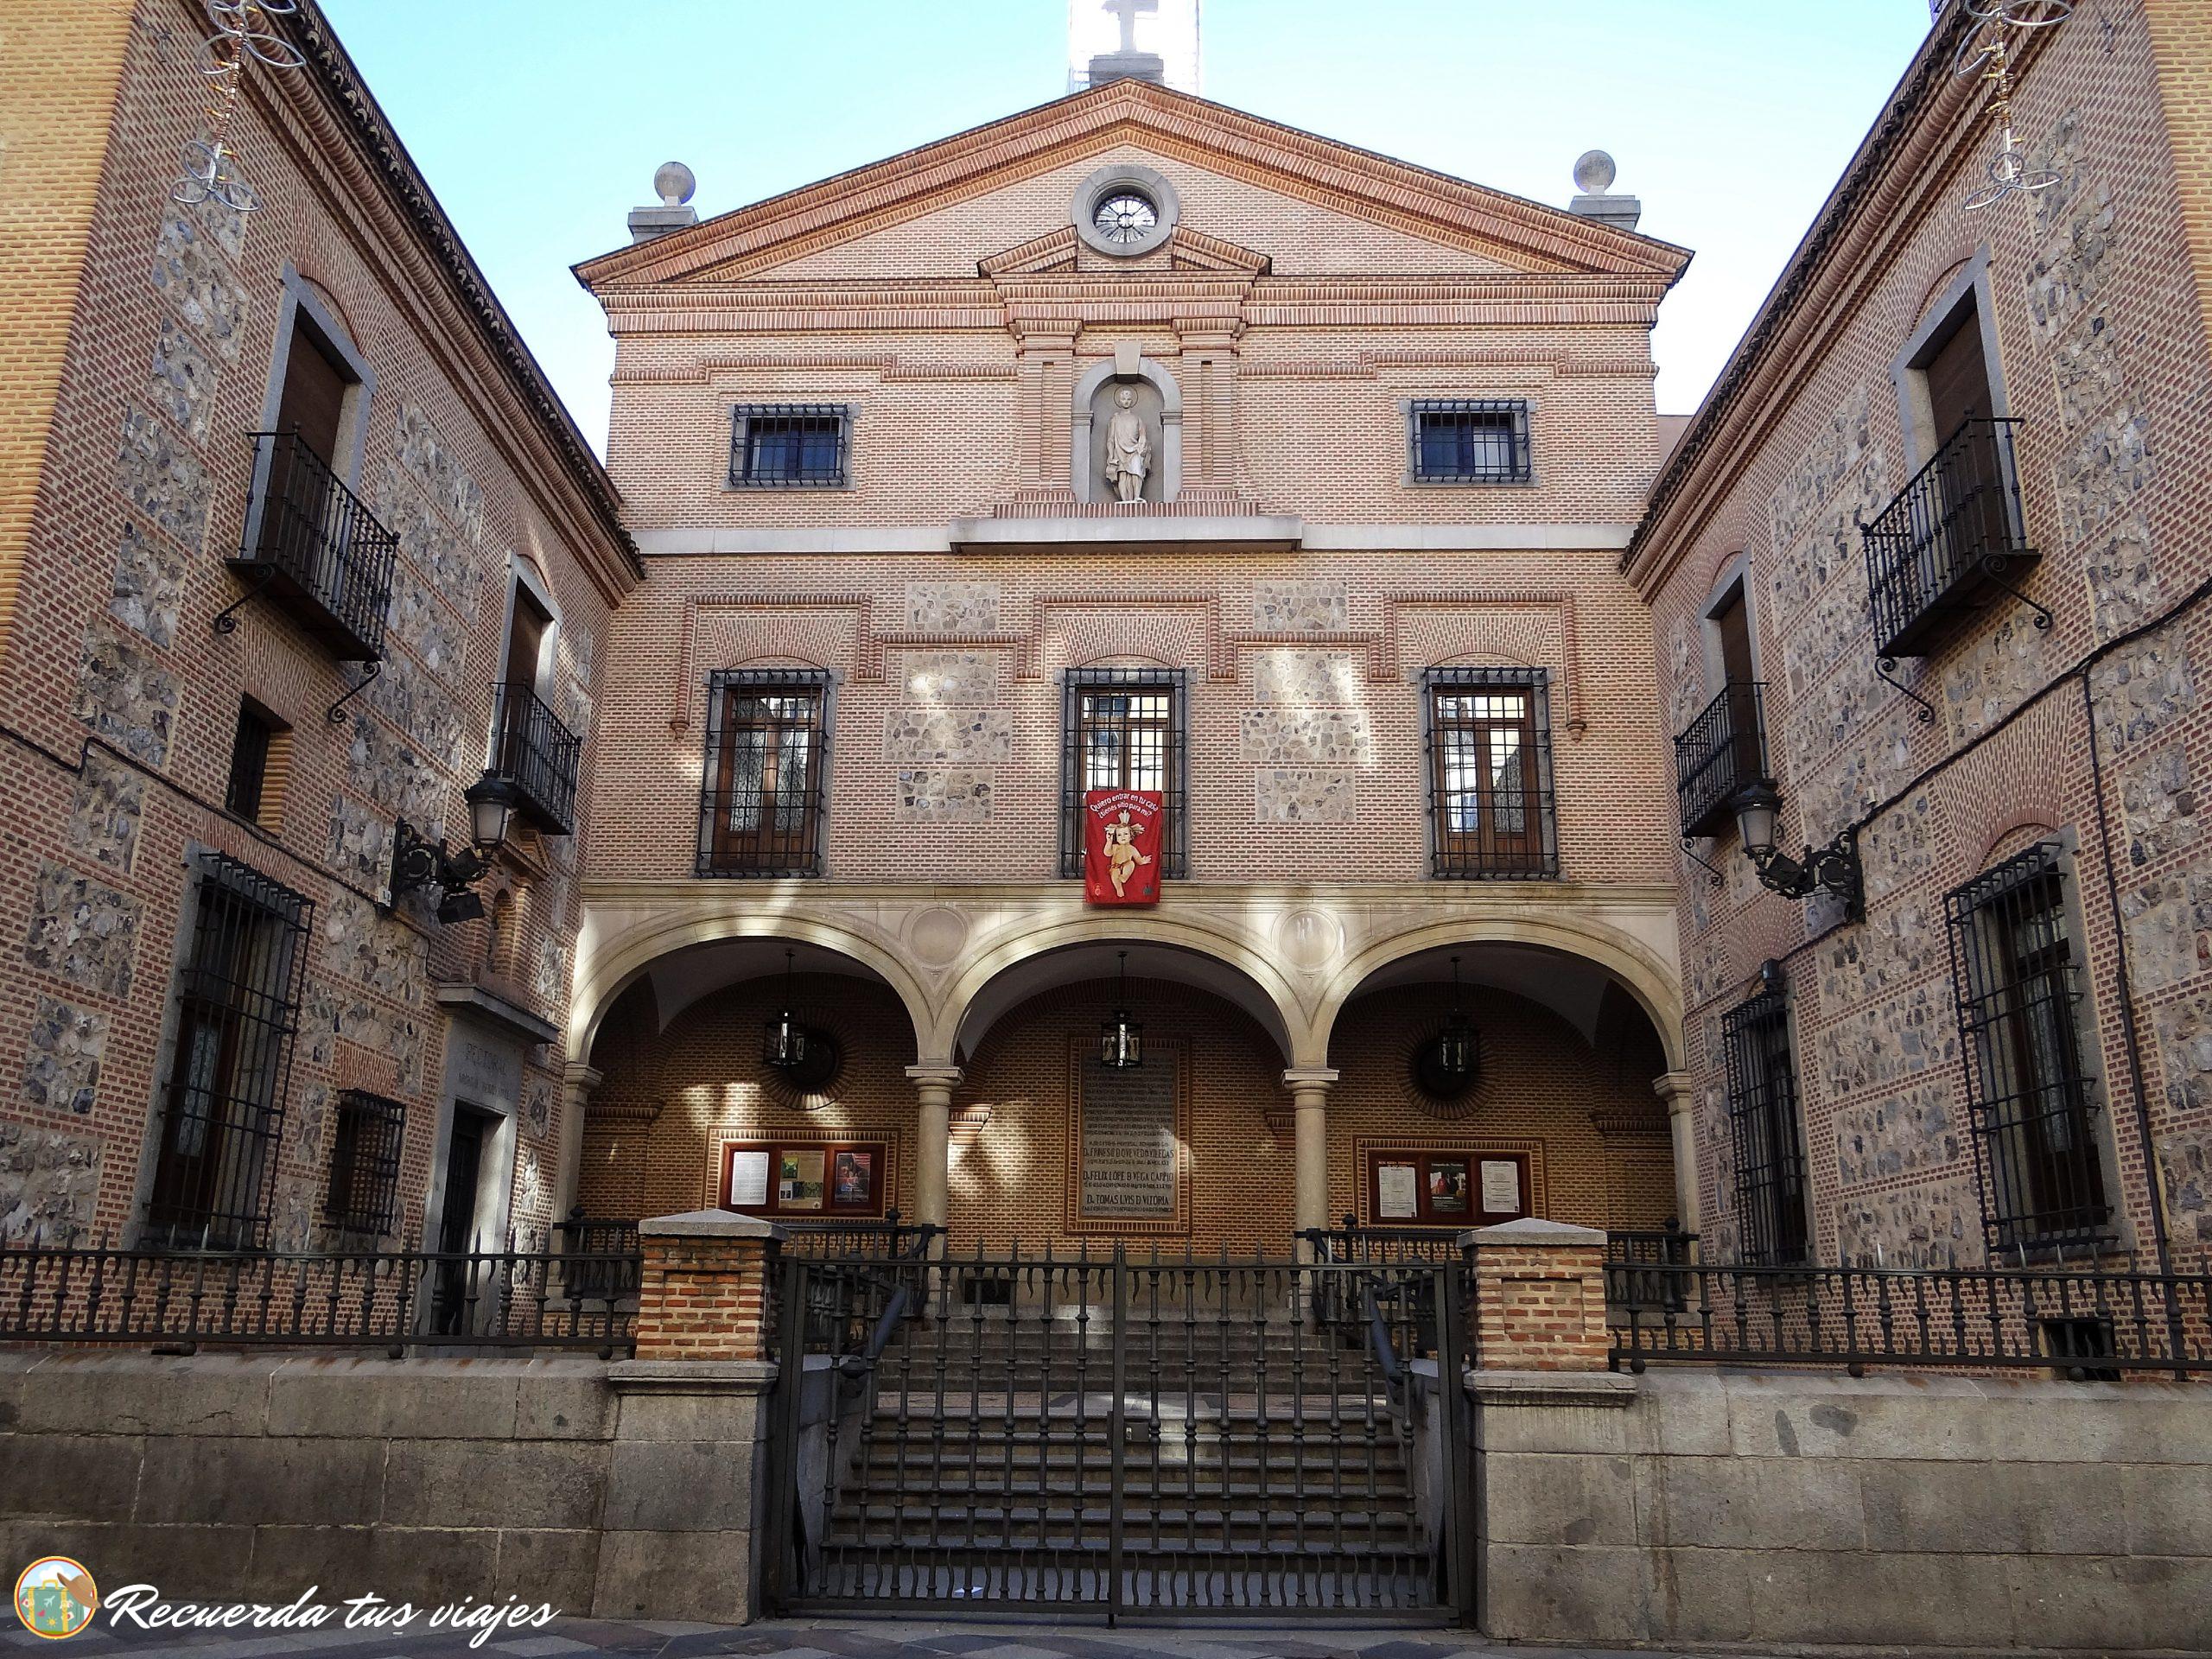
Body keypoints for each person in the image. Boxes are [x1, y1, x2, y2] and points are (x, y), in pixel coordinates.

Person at [1103, 385, 1150, 503]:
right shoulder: (1115, 419)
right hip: (1119, 450)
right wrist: (1110, 455)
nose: (1126, 401)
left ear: (1132, 401)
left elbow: (1142, 435)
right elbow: (1111, 439)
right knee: (1122, 475)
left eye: (1128, 399)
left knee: (1137, 472)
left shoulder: (1137, 418)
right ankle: (1125, 501)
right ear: (1119, 401)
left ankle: (1137, 497)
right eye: (1124, 399)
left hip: (1135, 450)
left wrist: (1141, 447)